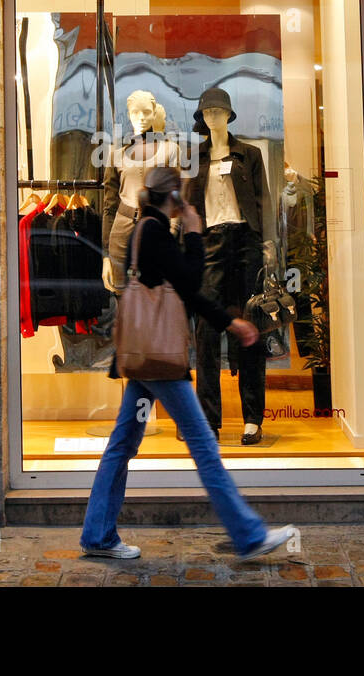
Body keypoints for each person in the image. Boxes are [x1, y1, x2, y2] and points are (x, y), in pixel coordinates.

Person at [80, 165, 297, 561]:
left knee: (122, 445)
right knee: (203, 445)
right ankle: (248, 535)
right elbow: (190, 282)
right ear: (173, 197)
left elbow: (182, 290)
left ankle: (97, 535)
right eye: (181, 193)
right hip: (161, 361)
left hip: (146, 359)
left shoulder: (148, 228)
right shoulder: (154, 231)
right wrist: (196, 232)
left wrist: (229, 322)